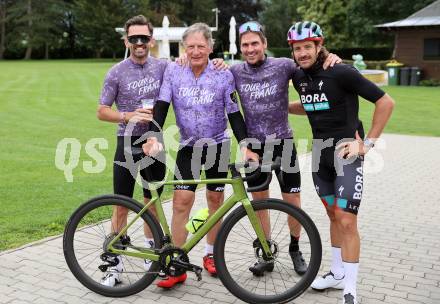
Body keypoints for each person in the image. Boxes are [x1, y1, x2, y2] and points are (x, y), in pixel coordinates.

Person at [142, 22, 258, 288]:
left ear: (210, 47)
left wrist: (246, 144)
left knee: (216, 200)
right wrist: (152, 135)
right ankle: (177, 263)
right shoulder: (174, 70)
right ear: (184, 48)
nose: (195, 51)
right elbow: (161, 106)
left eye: (201, 46)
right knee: (182, 201)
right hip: (188, 147)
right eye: (190, 46)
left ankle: (211, 255)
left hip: (217, 145)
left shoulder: (222, 74)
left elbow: (233, 113)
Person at [287, 21, 394, 304]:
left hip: (346, 155)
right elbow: (313, 103)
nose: (302, 53)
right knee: (333, 215)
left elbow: (386, 102)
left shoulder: (342, 71)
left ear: (319, 46)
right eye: (298, 49)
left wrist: (366, 144)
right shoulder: (299, 77)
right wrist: (283, 107)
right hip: (319, 156)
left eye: (308, 47)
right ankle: (336, 273)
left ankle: (350, 290)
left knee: (347, 220)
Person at [230, 21, 341, 276]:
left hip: (284, 143)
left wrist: (331, 57)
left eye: (254, 43)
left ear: (264, 44)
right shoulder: (235, 72)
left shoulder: (283, 65)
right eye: (245, 44)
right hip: (254, 147)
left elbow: (311, 65)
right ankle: (265, 252)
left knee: (292, 200)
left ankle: (294, 249)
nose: (250, 48)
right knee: (260, 203)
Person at [97, 15, 167, 287]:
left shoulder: (163, 67)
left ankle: (152, 255)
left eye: (144, 38)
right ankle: (114, 265)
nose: (139, 43)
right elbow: (102, 111)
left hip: (154, 142)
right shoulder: (116, 71)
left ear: (151, 40)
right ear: (126, 40)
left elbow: (192, 67)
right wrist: (127, 115)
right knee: (121, 204)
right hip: (126, 144)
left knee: (152, 202)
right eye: (134, 38)